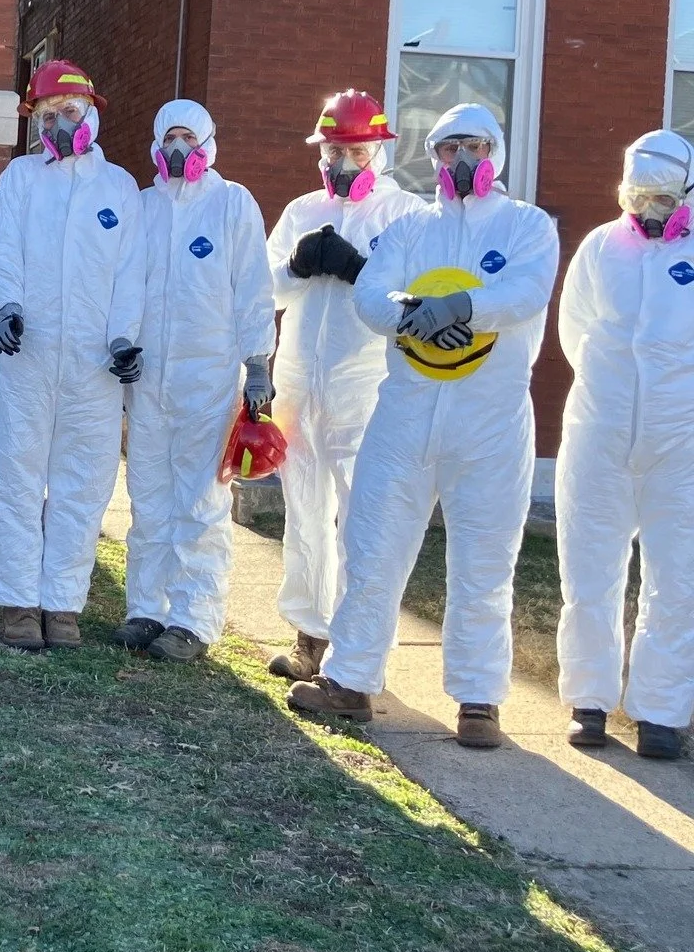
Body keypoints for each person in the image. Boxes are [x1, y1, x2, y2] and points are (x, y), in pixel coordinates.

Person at [289, 103, 559, 748]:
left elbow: (526, 291)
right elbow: (370, 292)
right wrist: (411, 311)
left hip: (488, 421)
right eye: (446, 151)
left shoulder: (527, 226)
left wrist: (463, 305)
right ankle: (350, 679)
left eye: (471, 147)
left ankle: (477, 698)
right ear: (433, 159)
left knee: (485, 559)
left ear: (494, 151)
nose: (459, 162)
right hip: (406, 409)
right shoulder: (414, 228)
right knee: (372, 543)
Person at [0, 60, 144, 652]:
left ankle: (64, 603)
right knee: (15, 478)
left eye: (67, 113)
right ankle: (20, 601)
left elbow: (131, 274)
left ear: (91, 113)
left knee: (82, 482)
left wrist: (123, 338)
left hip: (93, 364)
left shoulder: (119, 187)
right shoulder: (23, 179)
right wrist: (6, 309)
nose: (57, 124)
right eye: (47, 116)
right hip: (28, 352)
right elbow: (4, 253)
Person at [263, 92, 426, 682]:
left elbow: (414, 301)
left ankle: (359, 654)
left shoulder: (406, 215)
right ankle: (311, 635)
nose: (341, 162)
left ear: (379, 151)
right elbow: (262, 293)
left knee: (366, 518)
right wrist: (296, 268)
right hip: (299, 384)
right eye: (332, 150)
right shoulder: (303, 210)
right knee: (305, 514)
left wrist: (363, 272)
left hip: (368, 388)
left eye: (354, 150)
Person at [116, 99, 276, 663]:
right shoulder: (142, 206)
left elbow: (253, 286)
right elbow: (126, 285)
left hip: (208, 376)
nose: (179, 147)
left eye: (189, 136)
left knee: (201, 500)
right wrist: (122, 341)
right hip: (150, 377)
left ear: (207, 142)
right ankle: (145, 609)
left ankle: (194, 619)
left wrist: (258, 363)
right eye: (170, 137)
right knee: (149, 496)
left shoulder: (232, 204)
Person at [554, 131, 694, 761]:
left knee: (679, 579)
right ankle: (589, 700)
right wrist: (608, 394)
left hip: (681, 439)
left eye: (662, 198)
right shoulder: (600, 247)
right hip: (600, 431)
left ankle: (660, 712)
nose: (649, 210)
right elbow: (574, 331)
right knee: (589, 569)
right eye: (639, 196)